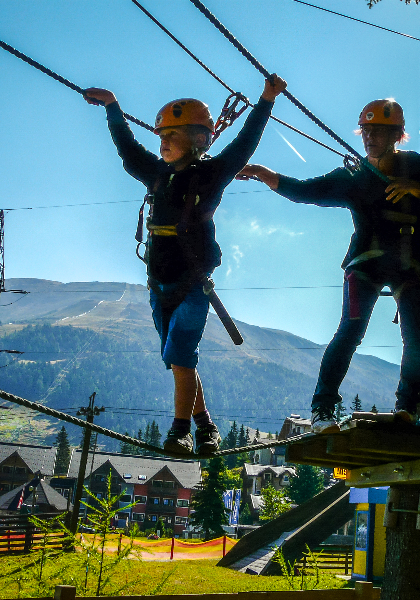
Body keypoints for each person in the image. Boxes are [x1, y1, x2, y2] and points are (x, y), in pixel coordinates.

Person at [85, 75, 287, 454]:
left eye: (170, 136)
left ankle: (180, 431)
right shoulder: (157, 175)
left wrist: (266, 101)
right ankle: (206, 426)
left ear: (197, 139)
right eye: (161, 136)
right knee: (180, 363)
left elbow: (244, 144)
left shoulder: (210, 176)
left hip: (193, 285)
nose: (161, 143)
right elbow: (128, 149)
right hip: (158, 285)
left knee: (180, 354)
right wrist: (113, 106)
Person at [238, 99, 420, 433]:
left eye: (378, 132)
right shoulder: (353, 175)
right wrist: (264, 173)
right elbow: (307, 190)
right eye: (366, 131)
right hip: (364, 263)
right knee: (349, 332)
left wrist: (416, 188)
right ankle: (322, 409)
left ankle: (407, 408)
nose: (370, 138)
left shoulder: (415, 166)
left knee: (416, 338)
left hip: (410, 265)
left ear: (397, 134)